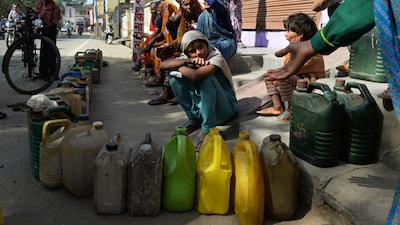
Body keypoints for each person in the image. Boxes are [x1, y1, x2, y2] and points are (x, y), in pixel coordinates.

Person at [263, 0, 399, 222]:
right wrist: (313, 44)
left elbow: (364, 7)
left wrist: (313, 44)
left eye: (289, 30)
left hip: (312, 78)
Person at [160, 30, 238, 149]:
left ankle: (207, 129)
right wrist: (187, 61)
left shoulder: (216, 57)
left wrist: (179, 66)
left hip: (225, 110)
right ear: (187, 53)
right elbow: (163, 65)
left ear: (206, 44)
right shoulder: (187, 58)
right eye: (192, 51)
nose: (198, 53)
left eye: (200, 47)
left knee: (207, 79)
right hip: (204, 108)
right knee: (173, 78)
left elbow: (195, 76)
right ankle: (194, 119)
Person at [257, 13, 325, 122]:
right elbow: (285, 67)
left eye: (289, 31)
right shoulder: (293, 48)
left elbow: (292, 68)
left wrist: (279, 78)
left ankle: (290, 109)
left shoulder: (311, 51)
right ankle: (277, 107)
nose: (285, 34)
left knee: (283, 78)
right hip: (296, 77)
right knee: (269, 75)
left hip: (310, 82)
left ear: (300, 35)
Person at [35, 0, 62, 80]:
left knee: (50, 52)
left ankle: (53, 73)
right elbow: (36, 11)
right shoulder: (41, 3)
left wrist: (43, 28)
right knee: (43, 51)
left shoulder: (55, 7)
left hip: (50, 29)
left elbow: (54, 22)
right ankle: (43, 72)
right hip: (43, 28)